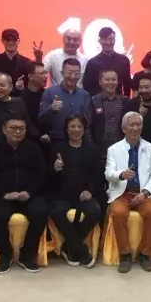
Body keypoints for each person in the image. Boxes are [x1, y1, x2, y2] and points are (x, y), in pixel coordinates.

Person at [0, 117, 48, 274]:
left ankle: (27, 255)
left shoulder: (33, 148)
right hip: (4, 195)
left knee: (41, 212)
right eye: (13, 128)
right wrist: (4, 194)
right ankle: (5, 255)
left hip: (29, 195)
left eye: (21, 128)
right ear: (4, 129)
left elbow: (42, 175)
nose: (18, 131)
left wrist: (29, 192)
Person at [105, 112, 151, 274]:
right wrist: (121, 174)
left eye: (138, 124)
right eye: (131, 125)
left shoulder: (150, 148)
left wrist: (145, 193)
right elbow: (108, 173)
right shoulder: (113, 149)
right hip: (121, 192)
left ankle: (145, 254)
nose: (135, 128)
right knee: (118, 213)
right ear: (123, 129)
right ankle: (125, 255)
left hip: (143, 192)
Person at [48, 115, 101, 268]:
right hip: (62, 193)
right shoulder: (58, 148)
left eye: (79, 126)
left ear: (84, 129)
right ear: (66, 129)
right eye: (72, 126)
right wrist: (55, 169)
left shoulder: (92, 149)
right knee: (56, 211)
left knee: (95, 210)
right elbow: (47, 176)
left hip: (83, 193)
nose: (76, 129)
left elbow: (97, 174)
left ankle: (69, 246)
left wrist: (90, 190)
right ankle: (80, 249)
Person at [39, 58, 90, 145]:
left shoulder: (84, 95)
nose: (73, 76)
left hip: (79, 143)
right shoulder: (49, 92)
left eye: (76, 73)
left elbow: (88, 122)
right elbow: (40, 119)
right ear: (62, 73)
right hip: (56, 142)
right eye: (69, 73)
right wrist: (51, 109)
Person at [85, 69, 128, 161]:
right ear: (100, 82)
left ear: (117, 81)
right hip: (99, 152)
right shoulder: (93, 101)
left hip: (121, 150)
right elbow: (86, 126)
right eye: (107, 79)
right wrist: (91, 145)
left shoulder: (124, 101)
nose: (111, 82)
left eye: (114, 79)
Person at [82, 27, 132, 97]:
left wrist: (127, 101)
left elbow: (127, 85)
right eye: (105, 39)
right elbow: (88, 87)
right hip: (98, 101)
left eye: (111, 39)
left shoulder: (124, 60)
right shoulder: (92, 62)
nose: (108, 42)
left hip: (119, 101)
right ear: (100, 41)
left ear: (115, 40)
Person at [19, 61, 47, 135]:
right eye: (42, 73)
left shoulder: (48, 94)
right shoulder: (21, 97)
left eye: (45, 73)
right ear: (30, 77)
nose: (46, 76)